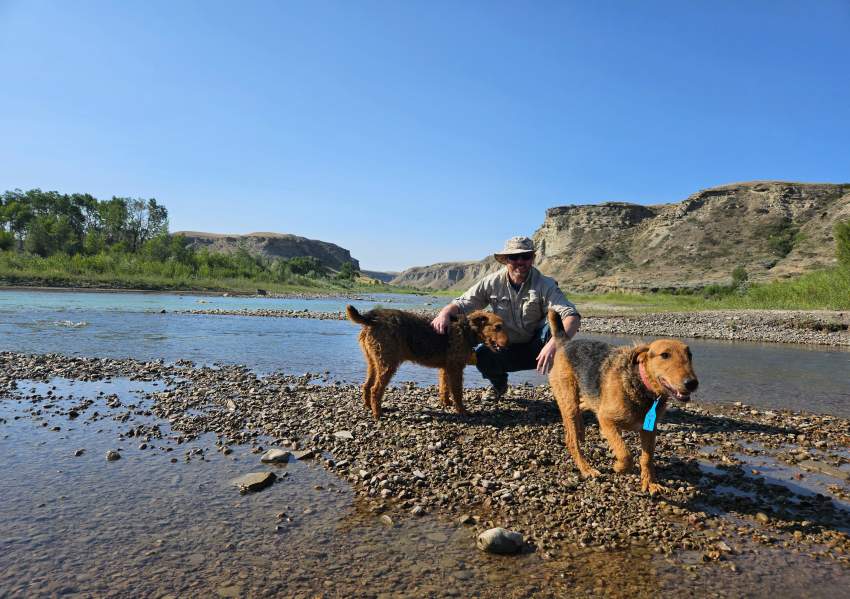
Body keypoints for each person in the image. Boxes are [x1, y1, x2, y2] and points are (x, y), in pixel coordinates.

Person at [431, 236, 581, 399]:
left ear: (532, 259)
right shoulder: (491, 282)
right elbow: (463, 303)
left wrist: (552, 345)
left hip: (538, 348)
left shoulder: (545, 284)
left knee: (555, 332)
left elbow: (571, 316)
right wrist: (444, 313)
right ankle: (499, 385)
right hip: (505, 348)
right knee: (483, 354)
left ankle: (567, 392)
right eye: (514, 257)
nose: (520, 261)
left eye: (526, 256)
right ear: (505, 260)